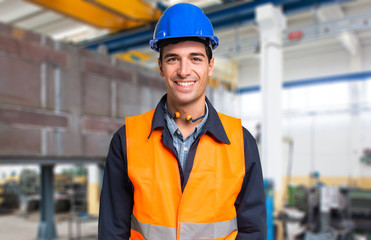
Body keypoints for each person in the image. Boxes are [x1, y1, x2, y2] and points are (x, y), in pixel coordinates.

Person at [98, 3, 266, 240]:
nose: (184, 71)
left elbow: (253, 231)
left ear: (210, 66)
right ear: (160, 67)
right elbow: (112, 230)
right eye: (173, 59)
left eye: (195, 58)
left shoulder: (241, 142)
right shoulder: (126, 140)